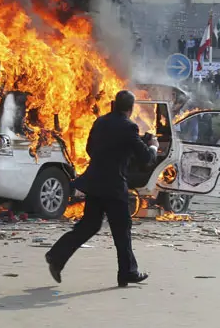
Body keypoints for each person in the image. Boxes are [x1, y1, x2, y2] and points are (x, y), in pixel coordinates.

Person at [45, 91, 156, 287]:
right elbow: (146, 158)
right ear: (130, 109)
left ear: (113, 104)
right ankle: (128, 272)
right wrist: (153, 146)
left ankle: (57, 256)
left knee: (89, 225)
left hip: (95, 183)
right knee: (122, 230)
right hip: (113, 186)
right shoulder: (129, 127)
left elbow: (89, 149)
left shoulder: (100, 122)